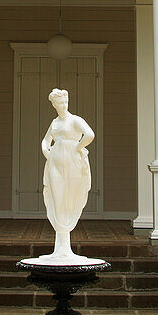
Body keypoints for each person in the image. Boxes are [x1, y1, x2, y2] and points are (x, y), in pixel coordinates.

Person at [41, 87, 95, 259]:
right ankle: (60, 246)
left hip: (73, 163)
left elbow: (89, 134)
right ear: (54, 105)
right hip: (55, 163)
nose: (63, 105)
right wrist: (47, 153)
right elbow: (46, 140)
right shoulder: (55, 123)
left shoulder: (75, 120)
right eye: (60, 103)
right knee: (57, 199)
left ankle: (65, 246)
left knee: (70, 198)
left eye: (65, 102)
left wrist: (77, 147)